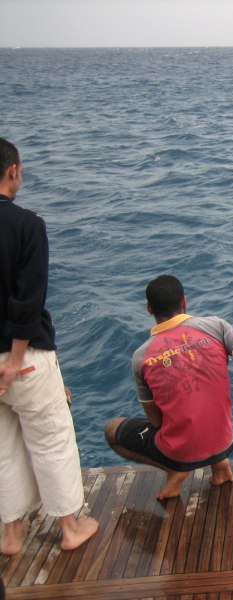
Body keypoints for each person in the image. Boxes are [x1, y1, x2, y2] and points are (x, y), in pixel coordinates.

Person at [0, 138, 99, 556]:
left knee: (3, 449)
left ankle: (11, 534)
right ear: (13, 171)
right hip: (22, 359)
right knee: (51, 440)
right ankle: (70, 527)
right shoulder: (27, 225)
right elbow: (28, 300)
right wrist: (14, 360)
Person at [104, 274, 233, 501]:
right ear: (184, 301)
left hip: (179, 453)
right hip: (226, 442)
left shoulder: (141, 357)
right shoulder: (216, 326)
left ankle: (175, 470)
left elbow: (156, 421)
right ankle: (220, 465)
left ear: (149, 308)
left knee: (112, 431)